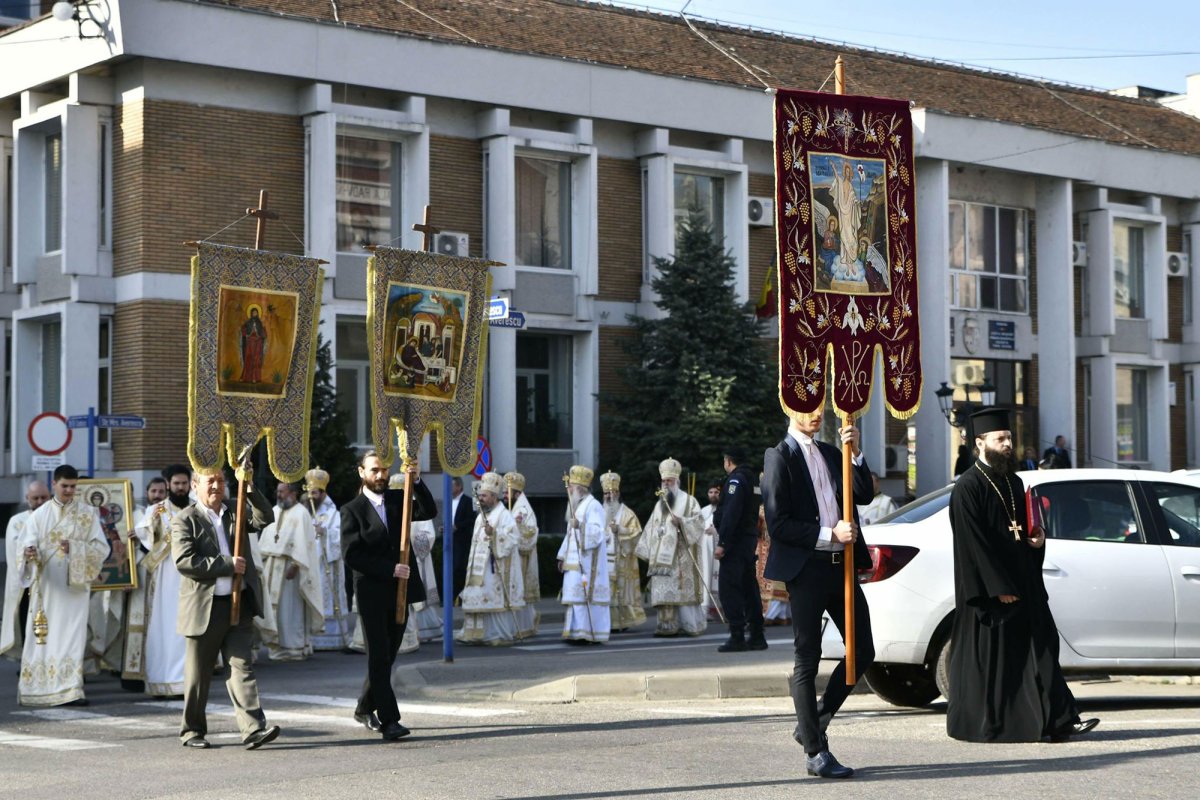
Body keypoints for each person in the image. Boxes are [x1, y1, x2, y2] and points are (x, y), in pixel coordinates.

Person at [947, 408, 1099, 744]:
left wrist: (1038, 540)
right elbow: (973, 546)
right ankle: (993, 724)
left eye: (1009, 438)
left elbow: (1025, 528)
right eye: (1000, 439)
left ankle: (1059, 720)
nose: (1007, 444)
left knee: (1043, 646)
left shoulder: (1014, 482)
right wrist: (998, 587)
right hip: (993, 591)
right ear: (979, 443)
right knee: (997, 662)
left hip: (1025, 582)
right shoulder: (968, 488)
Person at [762, 415, 875, 779]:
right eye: (807, 407)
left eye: (819, 407)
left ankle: (814, 721)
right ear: (790, 410)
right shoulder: (779, 456)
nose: (817, 414)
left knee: (863, 650)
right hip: (807, 568)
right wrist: (830, 533)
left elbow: (863, 493)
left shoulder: (831, 451)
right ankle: (816, 751)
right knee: (807, 657)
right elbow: (779, 523)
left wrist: (856, 453)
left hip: (840, 567)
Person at [172, 464, 280, 749]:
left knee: (242, 667)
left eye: (220, 480)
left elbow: (265, 517)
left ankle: (253, 729)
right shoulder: (185, 519)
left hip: (238, 604)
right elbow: (185, 561)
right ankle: (192, 731)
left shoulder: (235, 508)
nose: (216, 487)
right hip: (205, 609)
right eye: (209, 482)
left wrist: (250, 486)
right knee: (198, 675)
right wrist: (227, 565)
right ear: (195, 484)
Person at [340, 451, 436, 741]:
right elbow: (352, 555)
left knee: (389, 655)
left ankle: (363, 706)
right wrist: (389, 568)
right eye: (374, 470)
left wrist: (417, 482)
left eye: (384, 469)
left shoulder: (398, 499)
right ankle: (390, 720)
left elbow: (428, 510)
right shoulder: (352, 510)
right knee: (379, 655)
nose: (380, 475)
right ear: (361, 472)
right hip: (371, 592)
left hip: (400, 591)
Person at [10, 465, 108, 707]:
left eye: (73, 487)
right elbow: (24, 548)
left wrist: (76, 548)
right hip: (48, 589)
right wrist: (29, 553)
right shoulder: (39, 515)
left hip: (75, 590)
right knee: (45, 638)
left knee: (73, 638)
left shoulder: (87, 514)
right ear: (54, 484)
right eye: (65, 486)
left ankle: (70, 690)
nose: (69, 490)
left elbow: (101, 549)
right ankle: (38, 688)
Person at [123, 464, 192, 696]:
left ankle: (185, 682)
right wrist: (148, 529)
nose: (180, 488)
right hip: (164, 579)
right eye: (176, 484)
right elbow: (145, 539)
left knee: (187, 629)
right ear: (168, 485)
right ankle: (161, 680)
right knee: (163, 628)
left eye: (184, 483)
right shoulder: (157, 510)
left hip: (191, 577)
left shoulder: (197, 507)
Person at [636, 458, 707, 638]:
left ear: (677, 481)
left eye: (669, 481)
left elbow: (699, 523)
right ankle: (667, 626)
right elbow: (652, 527)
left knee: (682, 593)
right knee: (664, 592)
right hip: (662, 560)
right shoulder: (659, 504)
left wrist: (681, 522)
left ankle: (688, 625)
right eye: (664, 481)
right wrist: (648, 550)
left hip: (681, 556)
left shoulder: (689, 501)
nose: (666, 484)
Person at [456, 472, 525, 645]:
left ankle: (496, 634)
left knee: (491, 599)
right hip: (478, 567)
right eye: (479, 496)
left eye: (484, 496)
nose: (481, 499)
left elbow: (513, 538)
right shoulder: (481, 516)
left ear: (494, 497)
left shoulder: (504, 515)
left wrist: (494, 534)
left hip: (494, 567)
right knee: (476, 596)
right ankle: (474, 633)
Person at [258, 482, 324, 661]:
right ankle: (277, 646)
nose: (278, 495)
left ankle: (295, 647)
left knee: (291, 610)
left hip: (291, 569)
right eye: (277, 491)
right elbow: (266, 539)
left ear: (293, 494)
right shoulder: (274, 510)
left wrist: (295, 566)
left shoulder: (301, 513)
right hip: (273, 567)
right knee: (277, 611)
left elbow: (305, 544)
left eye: (282, 491)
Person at [714, 446, 766, 652]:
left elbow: (731, 513)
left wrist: (723, 543)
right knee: (748, 588)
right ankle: (757, 635)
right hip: (748, 540)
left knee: (730, 589)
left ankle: (737, 636)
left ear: (728, 461)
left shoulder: (735, 480)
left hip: (735, 543)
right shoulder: (752, 479)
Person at [557, 465, 610, 644]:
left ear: (579, 488)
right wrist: (562, 556)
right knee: (574, 598)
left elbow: (597, 533)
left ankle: (586, 633)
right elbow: (570, 536)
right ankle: (575, 632)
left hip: (587, 562)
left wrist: (580, 526)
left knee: (583, 598)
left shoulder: (593, 506)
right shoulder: (577, 506)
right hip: (573, 562)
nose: (569, 489)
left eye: (571, 486)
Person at [0, 481, 52, 661]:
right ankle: (29, 662)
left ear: (50, 496)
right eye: (35, 498)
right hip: (28, 583)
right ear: (27, 499)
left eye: (43, 497)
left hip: (52, 583)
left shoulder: (57, 518)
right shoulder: (18, 521)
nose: (40, 501)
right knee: (27, 624)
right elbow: (14, 549)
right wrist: (26, 552)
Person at [303, 468, 348, 650]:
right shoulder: (306, 512)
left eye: (315, 492)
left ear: (323, 493)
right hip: (311, 565)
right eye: (309, 492)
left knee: (328, 599)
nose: (311, 496)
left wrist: (325, 533)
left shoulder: (333, 514)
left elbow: (340, 537)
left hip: (327, 564)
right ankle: (312, 639)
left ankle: (333, 638)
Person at [600, 471, 645, 632]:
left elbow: (636, 535)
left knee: (621, 591)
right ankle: (607, 621)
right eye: (606, 493)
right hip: (603, 560)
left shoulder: (627, 513)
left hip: (622, 559)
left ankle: (623, 621)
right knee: (605, 591)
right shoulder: (598, 512)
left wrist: (620, 530)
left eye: (612, 492)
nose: (609, 496)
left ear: (618, 493)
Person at [505, 472, 540, 639]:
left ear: (516, 493)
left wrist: (517, 526)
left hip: (522, 559)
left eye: (507, 492)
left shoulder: (523, 509)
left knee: (521, 592)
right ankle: (521, 626)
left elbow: (531, 534)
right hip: (515, 558)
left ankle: (524, 627)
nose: (505, 495)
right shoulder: (515, 507)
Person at [447, 476, 476, 601]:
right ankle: (449, 596)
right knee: (449, 568)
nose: (449, 488)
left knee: (459, 569)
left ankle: (459, 596)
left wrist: (457, 526)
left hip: (462, 541)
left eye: (452, 485)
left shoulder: (468, 501)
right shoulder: (449, 501)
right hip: (450, 540)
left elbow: (472, 520)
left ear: (459, 486)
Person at [698, 479, 722, 621]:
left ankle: (722, 609)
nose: (713, 495)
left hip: (719, 550)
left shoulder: (725, 509)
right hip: (705, 552)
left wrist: (716, 530)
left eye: (716, 492)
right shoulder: (703, 511)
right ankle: (706, 609)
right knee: (706, 577)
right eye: (711, 492)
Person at [239, 306, 266, 383]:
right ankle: (246, 377)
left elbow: (263, 332)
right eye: (253, 312)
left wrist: (262, 335)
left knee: (256, 359)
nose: (255, 313)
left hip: (257, 342)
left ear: (258, 313)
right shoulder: (248, 322)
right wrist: (246, 334)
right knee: (248, 358)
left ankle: (255, 378)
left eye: (256, 312)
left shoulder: (260, 323)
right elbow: (243, 329)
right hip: (250, 342)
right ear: (251, 313)